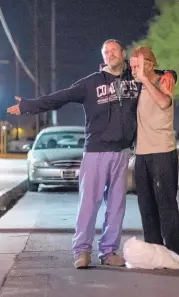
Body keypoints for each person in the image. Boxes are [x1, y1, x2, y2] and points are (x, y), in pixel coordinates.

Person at [7, 39, 138, 269]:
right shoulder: (91, 83)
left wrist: (168, 74)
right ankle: (82, 251)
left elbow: (157, 74)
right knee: (89, 204)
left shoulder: (134, 80)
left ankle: (109, 252)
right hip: (96, 152)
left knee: (117, 206)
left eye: (114, 50)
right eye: (106, 52)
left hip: (121, 153)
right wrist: (28, 105)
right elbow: (61, 97)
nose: (110, 54)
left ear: (123, 53)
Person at [130, 46, 179, 259]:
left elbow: (164, 102)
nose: (133, 70)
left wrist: (148, 79)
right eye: (132, 66)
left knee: (166, 205)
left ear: (150, 65)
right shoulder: (134, 84)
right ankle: (154, 252)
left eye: (137, 66)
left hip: (163, 152)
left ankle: (174, 254)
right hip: (141, 155)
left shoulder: (163, 81)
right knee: (146, 208)